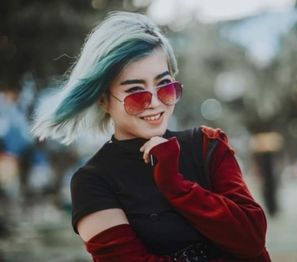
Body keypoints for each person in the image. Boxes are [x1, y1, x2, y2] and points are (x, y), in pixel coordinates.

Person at [32, 11, 271, 261]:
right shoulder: (92, 182)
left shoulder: (207, 145)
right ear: (103, 99)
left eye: (165, 86)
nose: (155, 103)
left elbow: (252, 240)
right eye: (136, 92)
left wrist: (176, 186)